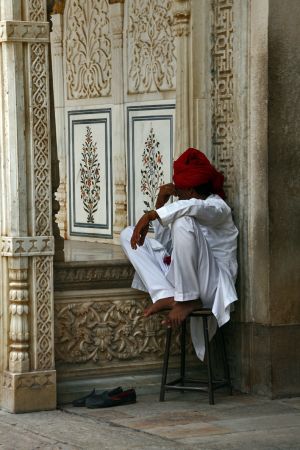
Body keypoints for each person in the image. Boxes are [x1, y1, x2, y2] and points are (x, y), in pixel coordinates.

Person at [120, 148, 238, 360]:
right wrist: (159, 204)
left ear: (191, 191)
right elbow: (166, 245)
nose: (176, 194)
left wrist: (153, 215)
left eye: (179, 190)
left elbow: (194, 207)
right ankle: (166, 294)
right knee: (127, 234)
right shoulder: (182, 209)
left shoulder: (218, 208)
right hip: (181, 278)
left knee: (184, 220)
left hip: (211, 284)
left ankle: (187, 299)